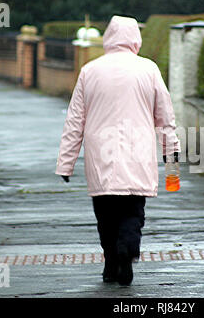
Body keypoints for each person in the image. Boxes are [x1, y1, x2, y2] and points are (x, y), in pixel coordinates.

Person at [55, 15, 180, 286]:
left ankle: (111, 262)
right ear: (136, 38)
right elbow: (165, 118)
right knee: (133, 211)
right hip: (138, 154)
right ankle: (128, 249)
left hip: (101, 155)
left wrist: (66, 164)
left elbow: (75, 120)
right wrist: (172, 158)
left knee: (105, 214)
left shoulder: (90, 70)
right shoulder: (149, 69)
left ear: (108, 38)